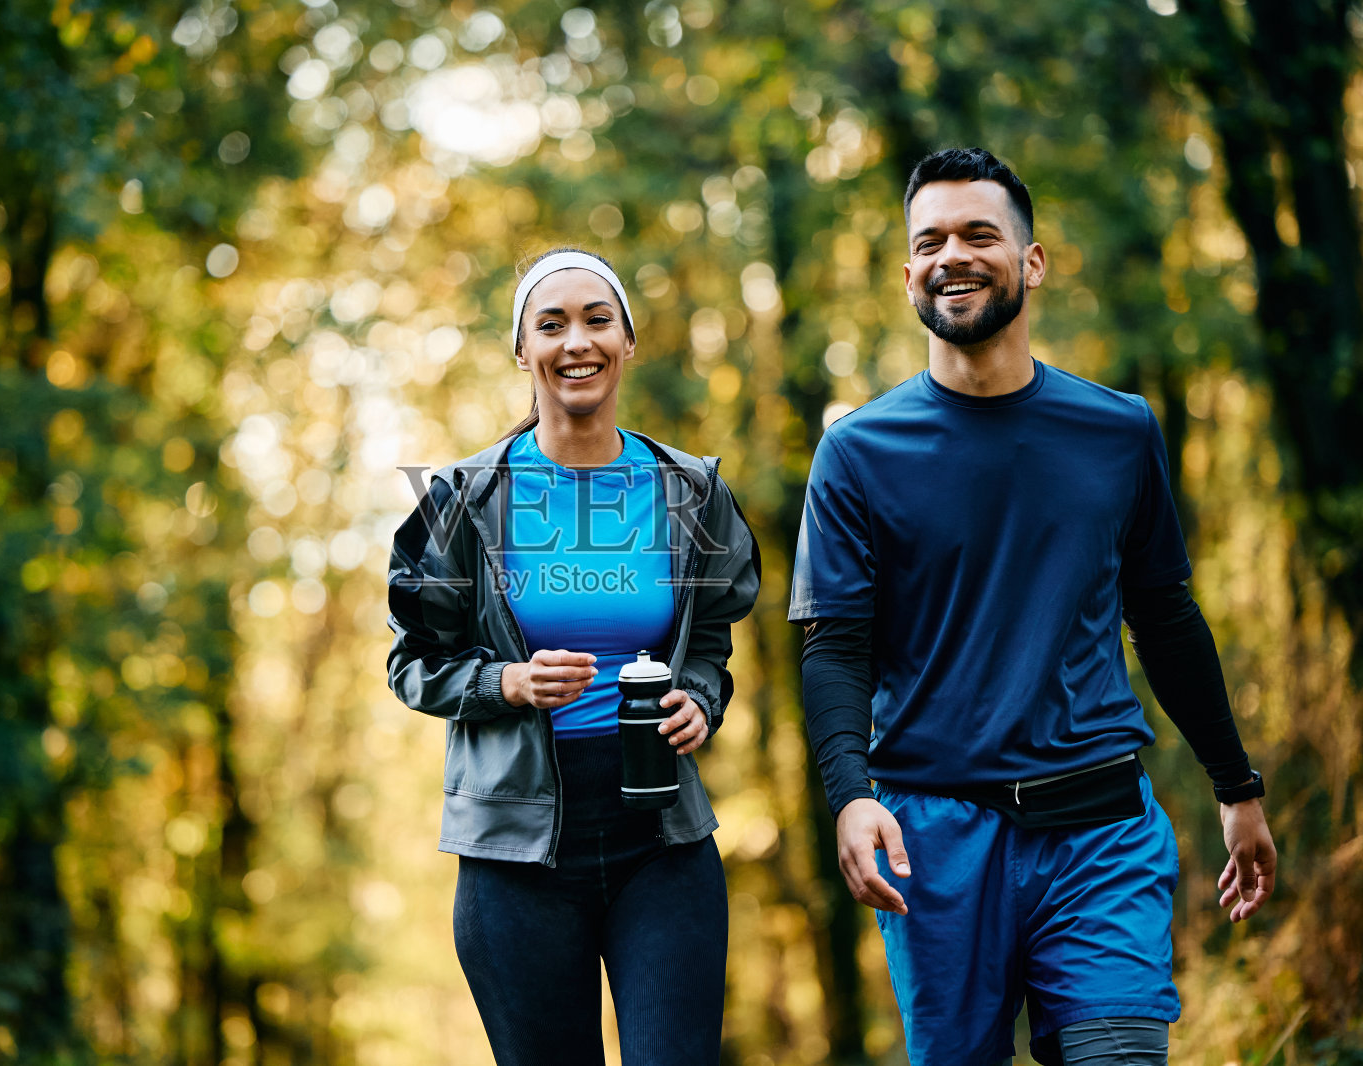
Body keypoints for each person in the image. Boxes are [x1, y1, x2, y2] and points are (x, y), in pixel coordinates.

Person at [790, 148, 1277, 1066]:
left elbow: (1164, 615)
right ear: (907, 275)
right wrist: (852, 796)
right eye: (929, 241)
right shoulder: (856, 453)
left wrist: (1235, 785)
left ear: (1034, 260)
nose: (952, 256)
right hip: (932, 840)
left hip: (1098, 825)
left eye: (980, 234)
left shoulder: (1118, 429)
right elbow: (835, 648)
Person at [387, 247, 759, 1066]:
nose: (575, 342)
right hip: (516, 853)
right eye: (549, 325)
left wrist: (700, 695)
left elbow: (710, 638)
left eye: (597, 319)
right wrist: (506, 682)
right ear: (522, 351)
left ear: (629, 339)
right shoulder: (463, 500)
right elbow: (412, 661)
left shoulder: (688, 489)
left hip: (661, 838)